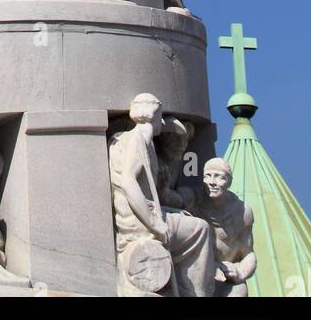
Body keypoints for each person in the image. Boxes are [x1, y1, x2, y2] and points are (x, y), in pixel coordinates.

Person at [109, 94, 215, 297]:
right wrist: (154, 224)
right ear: (154, 115)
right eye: (160, 116)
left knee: (184, 217)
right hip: (139, 221)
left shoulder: (125, 138)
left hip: (140, 214)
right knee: (200, 229)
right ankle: (196, 293)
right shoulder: (138, 140)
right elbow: (129, 183)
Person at [197, 159, 256, 297]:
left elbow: (248, 254)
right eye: (207, 176)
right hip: (200, 274)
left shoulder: (242, 211)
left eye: (219, 177)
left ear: (229, 182)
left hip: (226, 278)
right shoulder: (195, 202)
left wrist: (240, 272)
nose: (212, 181)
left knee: (239, 292)